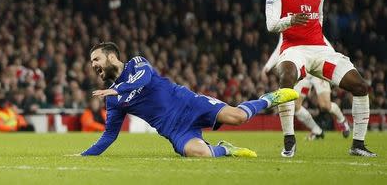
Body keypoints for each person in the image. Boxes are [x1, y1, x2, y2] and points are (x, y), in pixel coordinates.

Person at [80, 42, 298, 158]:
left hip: (188, 103)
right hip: (174, 129)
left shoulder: (137, 63)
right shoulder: (113, 99)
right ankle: (226, 149)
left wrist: (119, 90)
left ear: (111, 56)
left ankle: (271, 98)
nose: (93, 65)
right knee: (200, 153)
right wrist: (83, 155)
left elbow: (143, 79)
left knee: (238, 117)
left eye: (96, 59)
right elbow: (109, 136)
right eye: (91, 62)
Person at [265, 0, 376, 157]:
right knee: (286, 77)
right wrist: (290, 20)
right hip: (294, 50)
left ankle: (358, 145)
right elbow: (271, 25)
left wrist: (321, 43)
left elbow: (320, 18)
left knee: (360, 86)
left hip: (320, 49)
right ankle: (289, 141)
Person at [263, 36, 351, 141]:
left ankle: (342, 120)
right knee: (295, 105)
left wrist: (332, 69)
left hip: (318, 67)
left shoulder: (309, 24)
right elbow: (279, 49)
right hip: (304, 70)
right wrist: (267, 67)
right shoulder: (286, 28)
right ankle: (317, 131)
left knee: (325, 106)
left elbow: (327, 47)